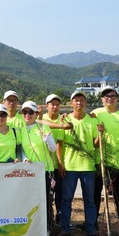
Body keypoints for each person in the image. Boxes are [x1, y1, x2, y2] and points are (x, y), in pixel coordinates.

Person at [56, 90, 101, 236]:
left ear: (86, 103)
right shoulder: (65, 120)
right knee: (66, 199)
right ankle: (64, 228)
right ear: (71, 103)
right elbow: (60, 144)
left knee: (89, 199)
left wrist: (101, 135)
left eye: (82, 100)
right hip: (70, 166)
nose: (79, 103)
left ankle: (91, 227)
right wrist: (60, 163)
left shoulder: (92, 121)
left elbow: (95, 144)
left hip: (88, 166)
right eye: (76, 100)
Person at [92, 86, 119, 236]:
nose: (108, 98)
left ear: (117, 98)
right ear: (102, 99)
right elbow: (92, 139)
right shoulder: (95, 114)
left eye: (112, 95)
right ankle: (93, 224)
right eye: (105, 96)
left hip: (117, 163)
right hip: (99, 161)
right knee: (95, 193)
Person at [20, 101, 57, 233]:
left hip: (46, 170)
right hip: (31, 172)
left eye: (31, 112)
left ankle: (46, 232)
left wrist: (49, 141)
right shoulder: (22, 130)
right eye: (25, 112)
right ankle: (34, 231)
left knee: (46, 202)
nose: (27, 115)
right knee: (32, 202)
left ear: (36, 114)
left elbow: (53, 149)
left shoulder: (43, 128)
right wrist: (24, 158)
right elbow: (21, 149)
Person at [42, 94, 66, 226]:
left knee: (60, 193)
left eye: (57, 104)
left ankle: (59, 218)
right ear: (47, 106)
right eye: (52, 104)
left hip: (56, 164)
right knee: (47, 195)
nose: (55, 107)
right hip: (44, 164)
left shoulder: (62, 120)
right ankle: (47, 219)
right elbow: (40, 123)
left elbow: (59, 144)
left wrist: (60, 163)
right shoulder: (42, 118)